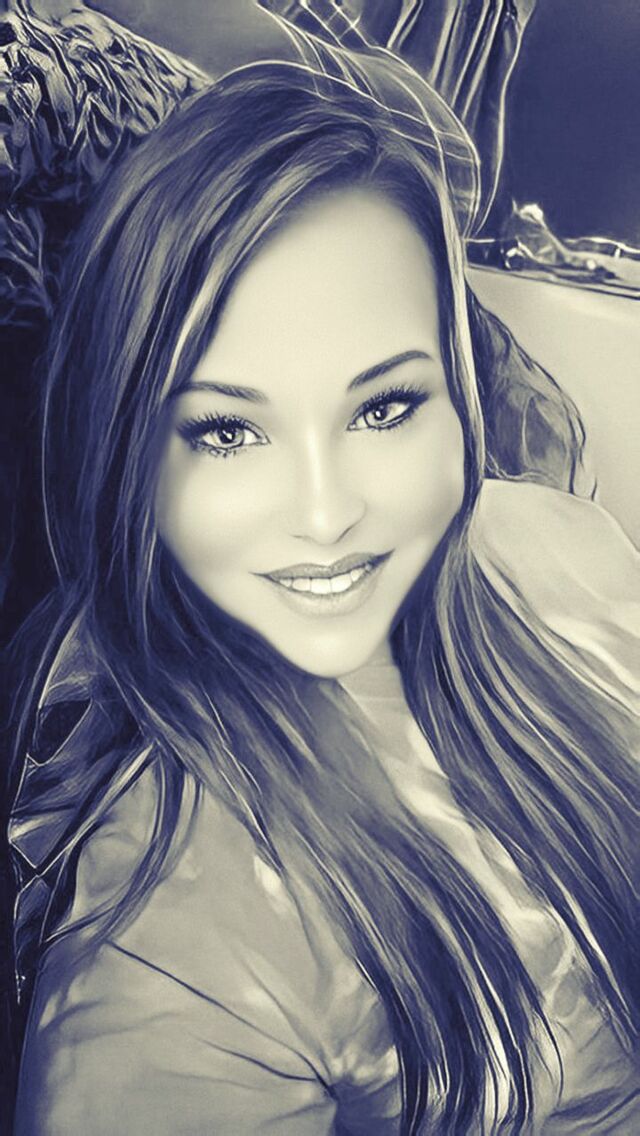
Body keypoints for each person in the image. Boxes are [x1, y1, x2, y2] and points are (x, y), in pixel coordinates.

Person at [7, 49, 639, 1136]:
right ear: (125, 453)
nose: (325, 510)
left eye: (384, 407)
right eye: (227, 430)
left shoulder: (571, 543)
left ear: (459, 395)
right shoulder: (170, 959)